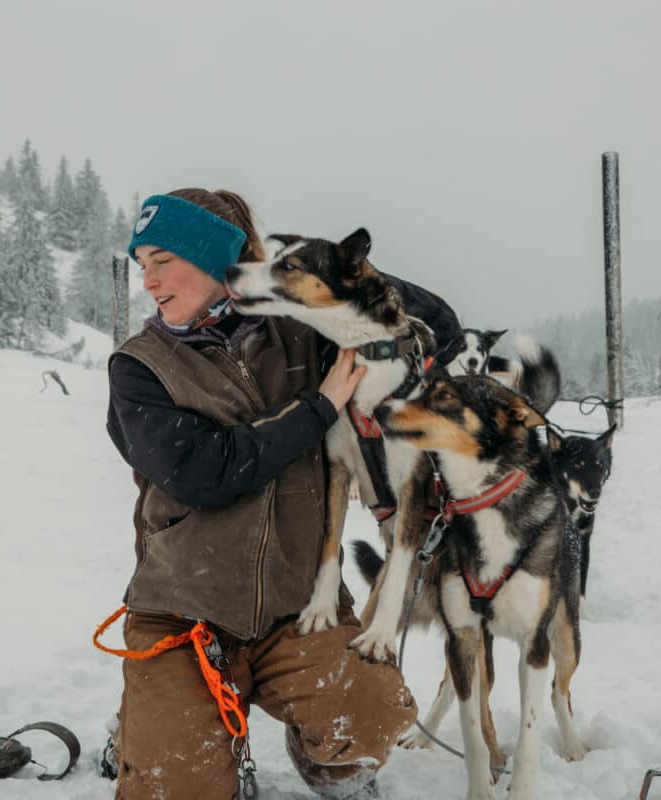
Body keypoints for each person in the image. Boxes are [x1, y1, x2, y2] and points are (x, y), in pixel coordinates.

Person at [105, 188, 461, 799]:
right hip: (185, 614)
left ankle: (323, 757)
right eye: (143, 265)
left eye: (162, 260)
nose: (149, 281)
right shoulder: (140, 367)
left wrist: (343, 271)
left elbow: (443, 332)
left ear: (217, 259)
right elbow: (205, 473)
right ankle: (144, 732)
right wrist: (319, 406)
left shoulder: (302, 331)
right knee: (179, 788)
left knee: (375, 718)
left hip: (295, 611)